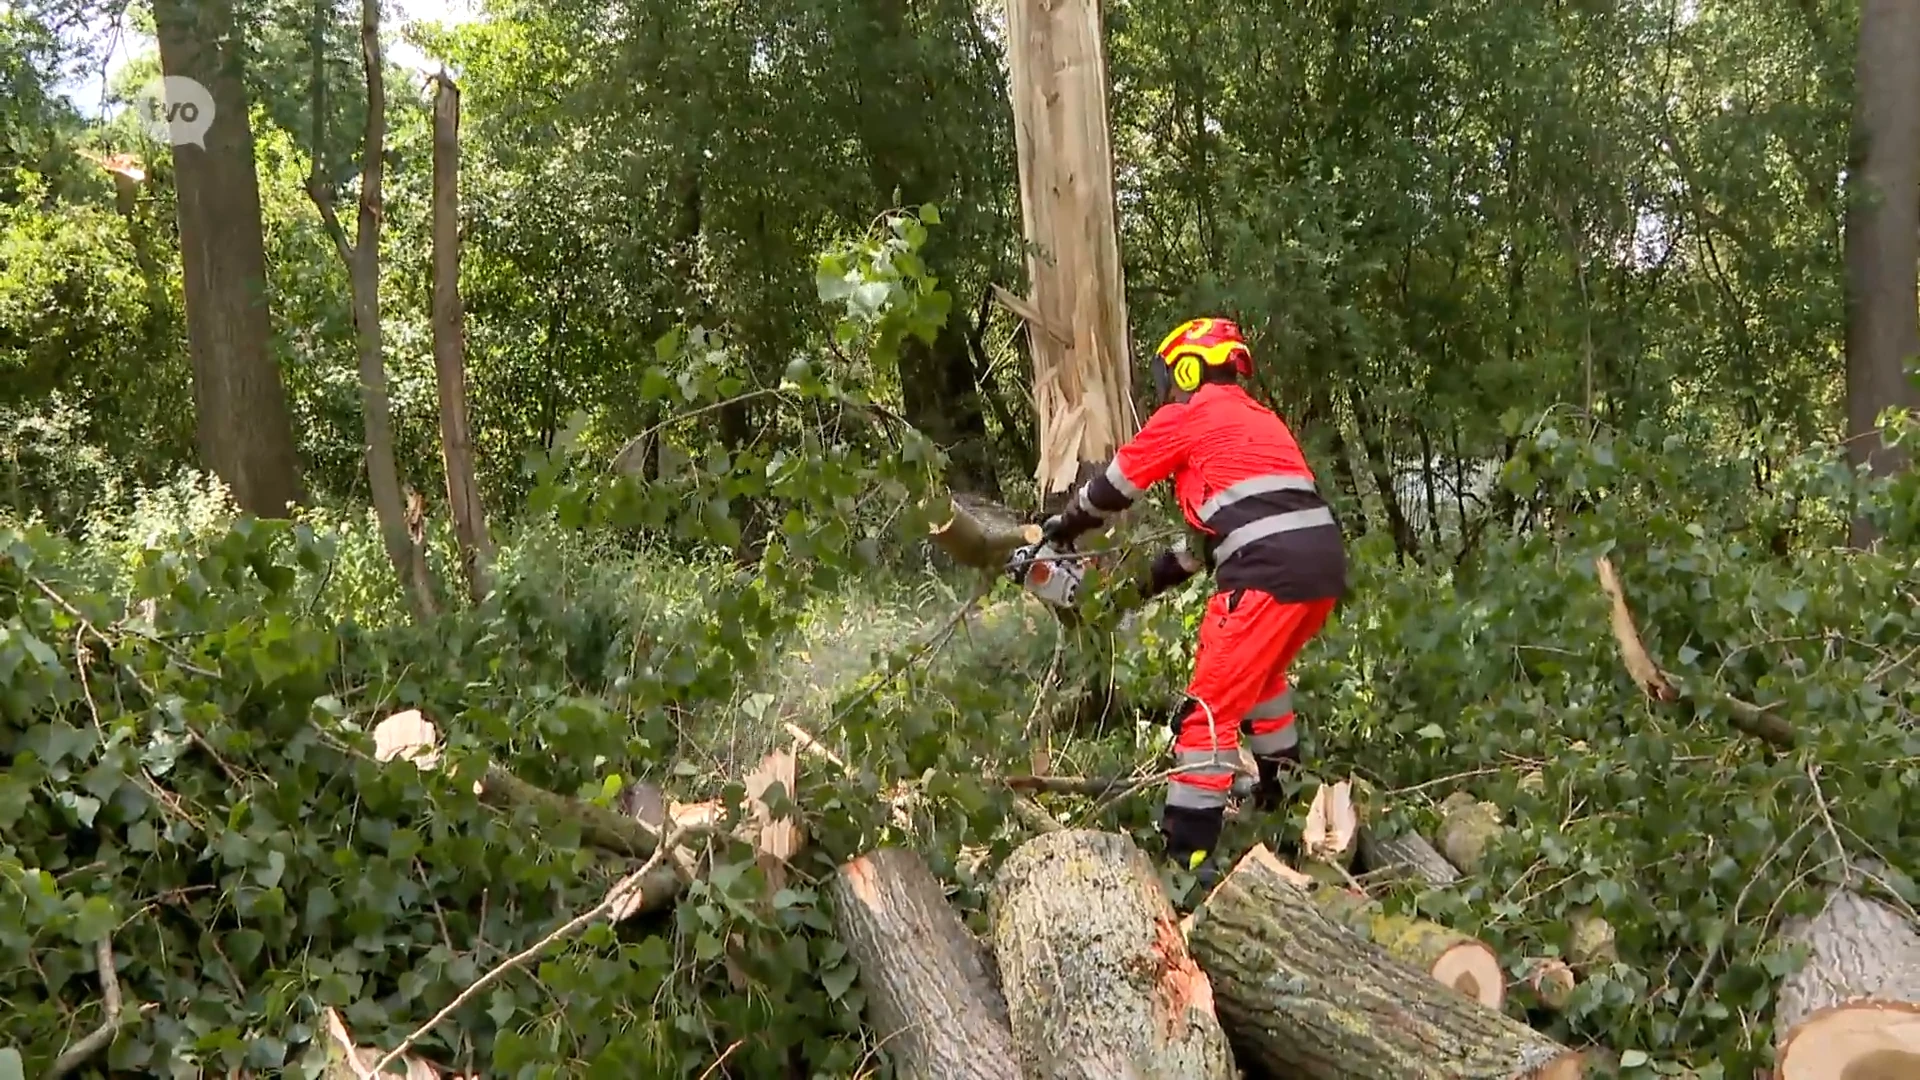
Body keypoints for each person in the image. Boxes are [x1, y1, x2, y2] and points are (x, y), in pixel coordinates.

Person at [1018, 316, 1348, 877]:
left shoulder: (1188, 417)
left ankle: (1185, 859)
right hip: (1321, 567)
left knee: (1207, 714)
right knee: (1262, 680)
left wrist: (1063, 528)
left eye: (1170, 376)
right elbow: (1195, 552)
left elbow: (1113, 486)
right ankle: (1282, 805)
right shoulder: (1259, 423)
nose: (1166, 389)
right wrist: (1130, 593)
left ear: (1189, 368)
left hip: (1265, 572)